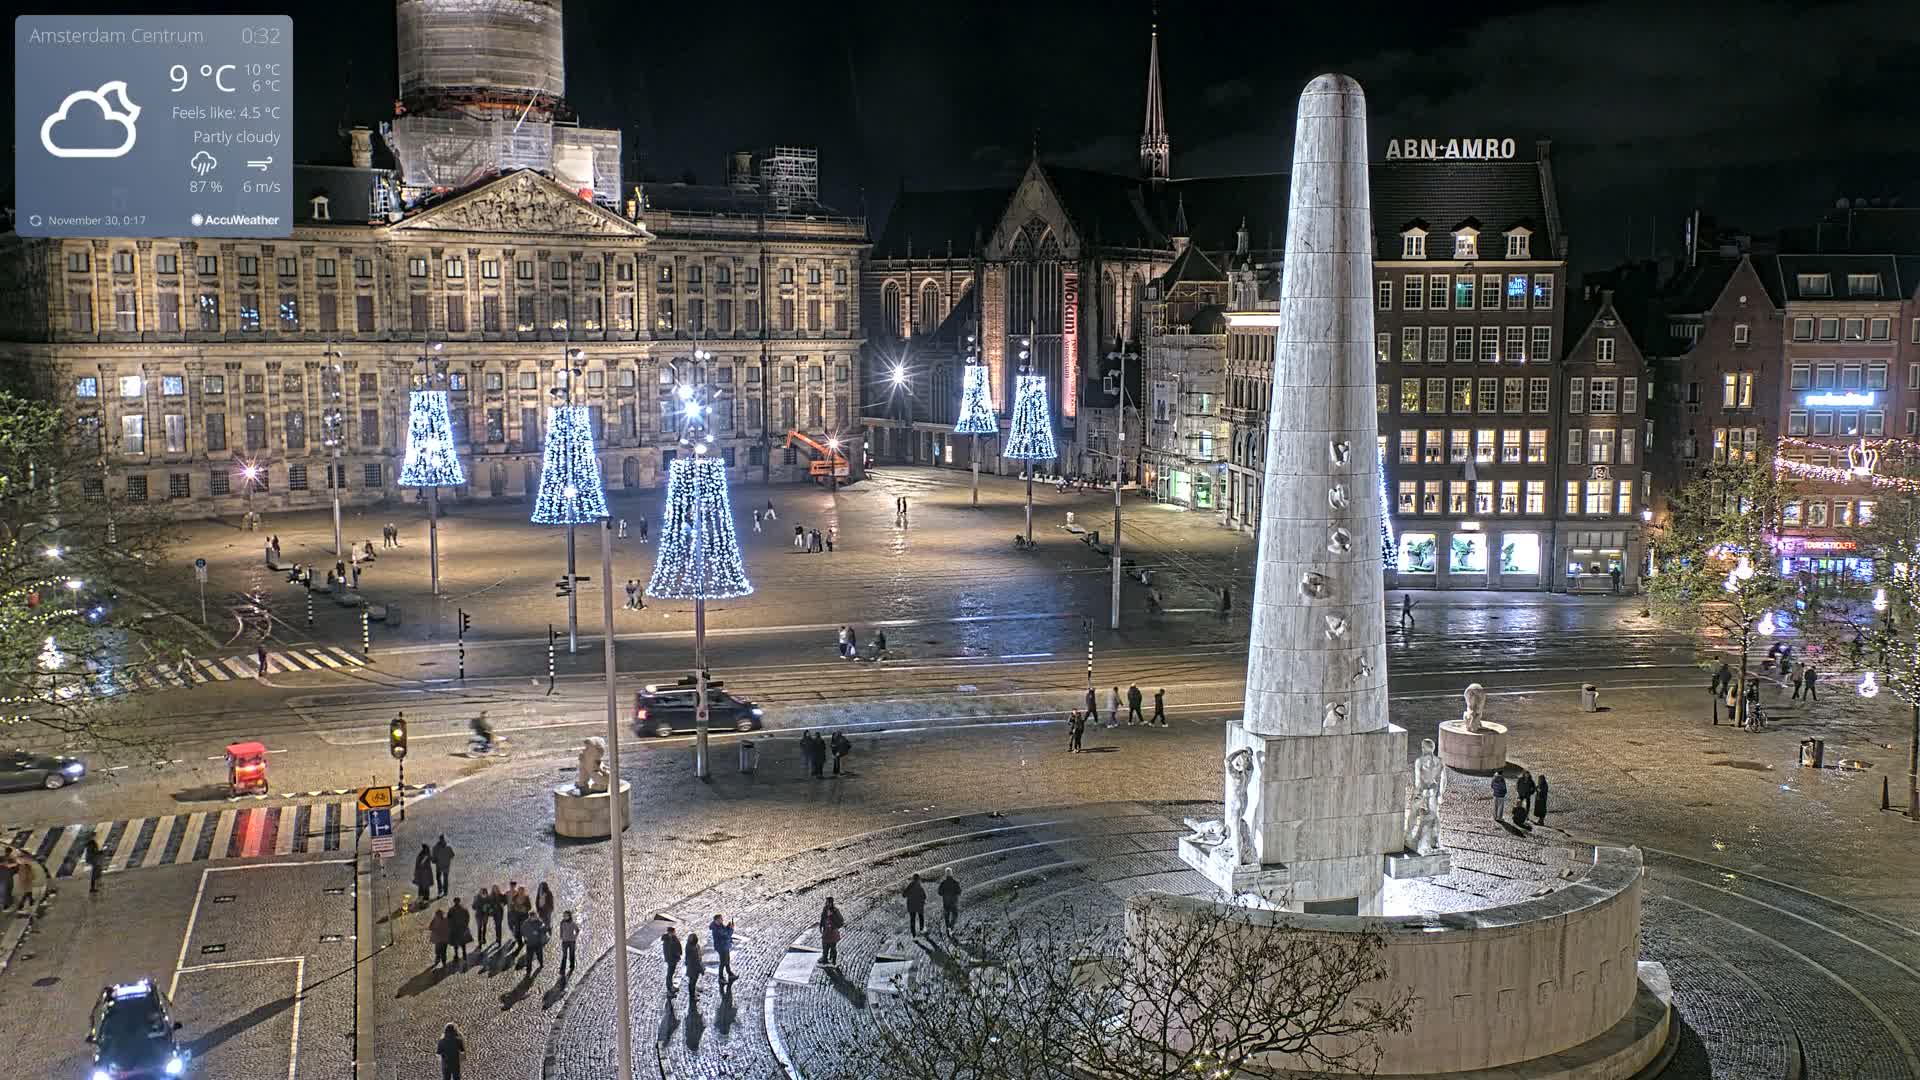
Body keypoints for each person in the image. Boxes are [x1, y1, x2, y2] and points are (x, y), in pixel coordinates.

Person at [709, 914, 735, 985]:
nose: (722, 920)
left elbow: (725, 931)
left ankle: (730, 973)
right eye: (721, 919)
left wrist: (728, 927)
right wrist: (731, 929)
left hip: (725, 946)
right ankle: (720, 978)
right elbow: (726, 935)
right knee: (723, 962)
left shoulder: (720, 925)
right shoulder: (717, 929)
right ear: (716, 920)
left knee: (727, 960)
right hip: (721, 947)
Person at [819, 898, 845, 967]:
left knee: (832, 946)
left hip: (832, 932)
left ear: (831, 903)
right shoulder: (825, 909)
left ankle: (833, 960)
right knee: (825, 945)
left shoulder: (835, 911)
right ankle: (825, 959)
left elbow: (841, 921)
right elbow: (822, 918)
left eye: (827, 902)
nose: (826, 903)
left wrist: (832, 916)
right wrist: (821, 926)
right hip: (826, 931)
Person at [447, 898, 472, 965]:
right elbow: (467, 917)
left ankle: (456, 956)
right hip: (462, 929)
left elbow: (448, 919)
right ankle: (464, 956)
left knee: (456, 944)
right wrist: (466, 925)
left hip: (455, 929)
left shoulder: (451, 910)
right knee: (463, 943)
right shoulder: (464, 909)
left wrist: (450, 926)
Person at [557, 910, 579, 980]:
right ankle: (562, 969)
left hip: (571, 941)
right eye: (564, 915)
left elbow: (577, 930)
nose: (564, 917)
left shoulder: (572, 923)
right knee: (564, 955)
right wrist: (561, 936)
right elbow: (561, 930)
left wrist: (575, 937)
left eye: (565, 915)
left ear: (569, 916)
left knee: (572, 954)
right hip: (564, 941)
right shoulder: (562, 923)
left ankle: (572, 966)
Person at [661, 925, 683, 991]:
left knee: (671, 973)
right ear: (670, 932)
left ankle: (671, 986)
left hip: (674, 958)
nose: (675, 933)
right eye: (673, 932)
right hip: (671, 959)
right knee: (670, 973)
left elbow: (677, 945)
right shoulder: (668, 941)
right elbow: (670, 951)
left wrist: (679, 953)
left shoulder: (673, 938)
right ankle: (670, 987)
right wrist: (676, 956)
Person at [683, 930, 703, 999]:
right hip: (693, 969)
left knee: (693, 981)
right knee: (692, 982)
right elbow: (696, 961)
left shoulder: (690, 946)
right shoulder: (693, 950)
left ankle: (693, 991)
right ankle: (692, 995)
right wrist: (701, 969)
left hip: (691, 967)